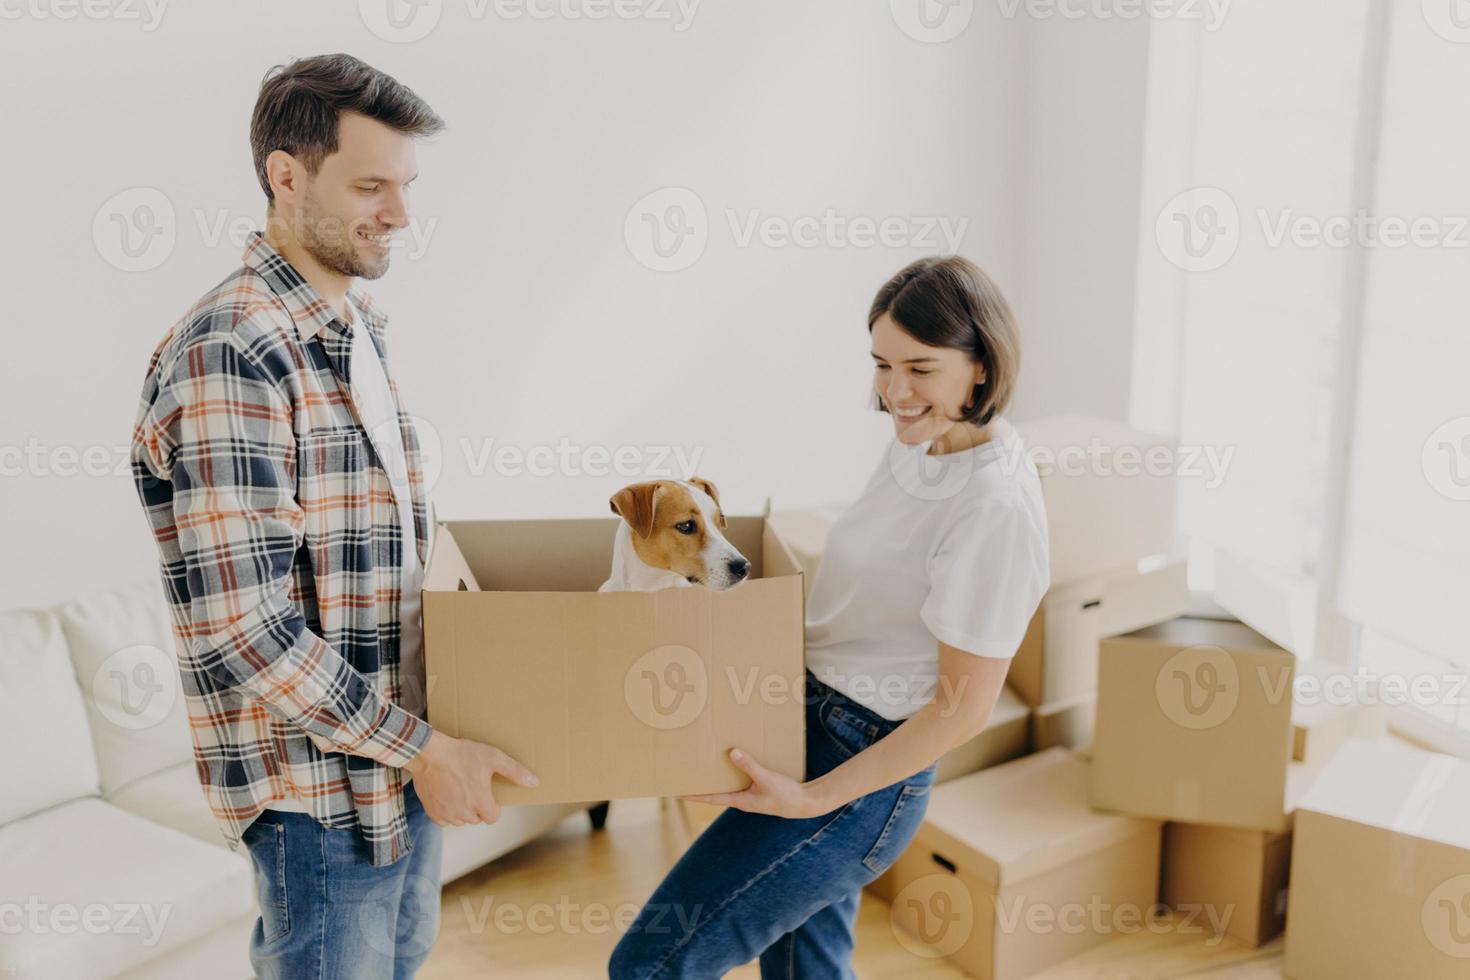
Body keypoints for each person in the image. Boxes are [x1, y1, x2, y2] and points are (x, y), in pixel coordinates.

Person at [129, 53, 536, 980]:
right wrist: (425, 748)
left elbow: (379, 565)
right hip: (317, 798)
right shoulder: (233, 348)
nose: (399, 215)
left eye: (404, 186)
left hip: (396, 770)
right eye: (369, 185)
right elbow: (248, 626)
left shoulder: (356, 332)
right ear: (286, 174)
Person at [608, 255, 1051, 979]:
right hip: (804, 721)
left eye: (920, 368)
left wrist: (812, 799)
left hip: (860, 774)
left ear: (981, 367)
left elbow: (962, 709)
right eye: (881, 364)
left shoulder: (994, 508)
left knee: (649, 965)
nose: (894, 393)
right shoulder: (926, 439)